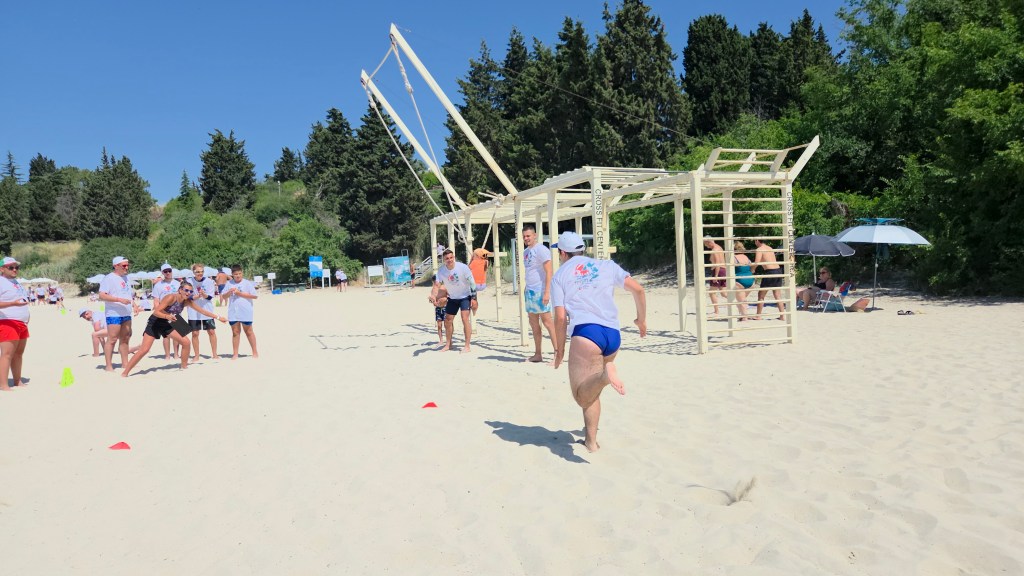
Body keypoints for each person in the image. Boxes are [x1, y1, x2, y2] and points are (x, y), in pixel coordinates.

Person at [550, 232, 646, 453]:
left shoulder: (560, 275)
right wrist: (641, 320)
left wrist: (559, 350)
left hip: (587, 333)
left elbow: (560, 317)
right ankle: (591, 442)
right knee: (592, 389)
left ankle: (604, 376)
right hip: (612, 334)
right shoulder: (606, 265)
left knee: (582, 395)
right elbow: (638, 289)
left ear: (562, 253)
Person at [122, 283, 226, 377]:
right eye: (186, 290)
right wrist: (167, 316)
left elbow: (202, 311)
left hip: (170, 322)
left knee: (186, 342)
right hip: (156, 322)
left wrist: (218, 317)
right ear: (180, 290)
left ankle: (183, 367)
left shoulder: (187, 301)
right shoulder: (171, 297)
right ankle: (125, 372)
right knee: (144, 349)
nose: (188, 293)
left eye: (190, 291)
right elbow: (156, 312)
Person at [522, 225, 558, 363]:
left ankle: (557, 353)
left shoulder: (541, 249)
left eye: (528, 236)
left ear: (534, 235)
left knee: (548, 322)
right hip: (530, 292)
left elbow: (549, 271)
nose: (526, 238)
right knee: (533, 323)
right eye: (524, 236)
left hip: (540, 290)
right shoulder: (526, 252)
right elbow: (530, 271)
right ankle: (538, 354)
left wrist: (547, 292)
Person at [99, 256, 139, 371]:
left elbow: (127, 294)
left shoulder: (126, 278)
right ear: (116, 266)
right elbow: (102, 295)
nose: (127, 267)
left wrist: (134, 304)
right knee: (112, 339)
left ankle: (125, 363)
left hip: (126, 312)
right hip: (114, 313)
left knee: (126, 338)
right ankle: (108, 365)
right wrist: (119, 300)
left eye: (127, 265)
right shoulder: (109, 278)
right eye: (124, 265)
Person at [434, 249, 477, 353]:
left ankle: (467, 346)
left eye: (451, 257)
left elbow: (472, 283)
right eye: (447, 258)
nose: (449, 260)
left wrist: (474, 298)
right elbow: (437, 284)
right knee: (448, 320)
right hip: (452, 297)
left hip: (465, 296)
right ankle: (448, 344)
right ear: (444, 260)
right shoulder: (441, 271)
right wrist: (434, 296)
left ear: (454, 257)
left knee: (465, 319)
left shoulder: (463, 267)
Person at [0, 256, 31, 391]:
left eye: (16, 267)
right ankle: (3, 385)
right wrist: (12, 303)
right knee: (7, 354)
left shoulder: (15, 282)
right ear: (2, 269)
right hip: (7, 321)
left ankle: (17, 381)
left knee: (18, 353)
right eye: (11, 267)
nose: (14, 270)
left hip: (21, 322)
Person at [219, 265, 259, 359]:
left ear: (242, 273)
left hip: (245, 311)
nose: (238, 275)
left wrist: (239, 293)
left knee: (249, 331)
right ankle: (235, 353)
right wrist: (229, 292)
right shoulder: (229, 283)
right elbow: (223, 296)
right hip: (233, 311)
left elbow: (255, 296)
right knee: (235, 332)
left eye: (240, 273)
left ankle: (255, 352)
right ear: (232, 275)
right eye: (236, 274)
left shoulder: (247, 283)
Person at [187, 264, 219, 360]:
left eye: (202, 271)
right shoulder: (189, 282)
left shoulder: (209, 281)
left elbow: (210, 297)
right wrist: (196, 296)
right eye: (197, 272)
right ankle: (196, 355)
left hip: (207, 310)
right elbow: (187, 297)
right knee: (195, 333)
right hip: (193, 311)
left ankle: (214, 354)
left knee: (211, 331)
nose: (200, 273)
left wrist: (204, 295)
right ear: (193, 272)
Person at [152, 263, 181, 359]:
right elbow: (156, 300)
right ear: (162, 273)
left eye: (169, 271)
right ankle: (167, 355)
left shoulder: (177, 284)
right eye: (165, 271)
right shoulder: (158, 285)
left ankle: (176, 354)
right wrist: (158, 312)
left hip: (176, 311)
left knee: (177, 334)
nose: (168, 273)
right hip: (163, 312)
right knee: (166, 335)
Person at [752, 239, 786, 320]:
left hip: (770, 272)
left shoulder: (759, 249)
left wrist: (752, 269)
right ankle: (782, 316)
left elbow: (757, 262)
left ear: (757, 241)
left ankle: (758, 316)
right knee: (777, 295)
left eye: (755, 241)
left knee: (761, 295)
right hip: (778, 271)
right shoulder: (770, 248)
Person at [703, 236, 727, 316]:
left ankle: (716, 311)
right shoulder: (719, 247)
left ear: (709, 242)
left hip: (718, 271)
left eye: (705, 244)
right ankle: (739, 301)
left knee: (711, 292)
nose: (705, 246)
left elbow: (717, 263)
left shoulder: (715, 250)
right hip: (722, 270)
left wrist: (716, 275)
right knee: (723, 293)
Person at [732, 241, 755, 320]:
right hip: (750, 280)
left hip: (740, 280)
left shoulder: (733, 257)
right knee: (742, 300)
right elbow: (752, 267)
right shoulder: (746, 257)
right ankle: (742, 316)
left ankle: (744, 318)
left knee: (741, 301)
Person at [427, 275, 448, 346]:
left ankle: (449, 340)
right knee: (439, 325)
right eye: (434, 282)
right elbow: (433, 301)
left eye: (435, 281)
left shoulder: (444, 287)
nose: (435, 283)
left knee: (447, 325)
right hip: (438, 308)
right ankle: (441, 340)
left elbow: (449, 297)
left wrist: (445, 300)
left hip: (445, 307)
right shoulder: (433, 290)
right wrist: (432, 300)